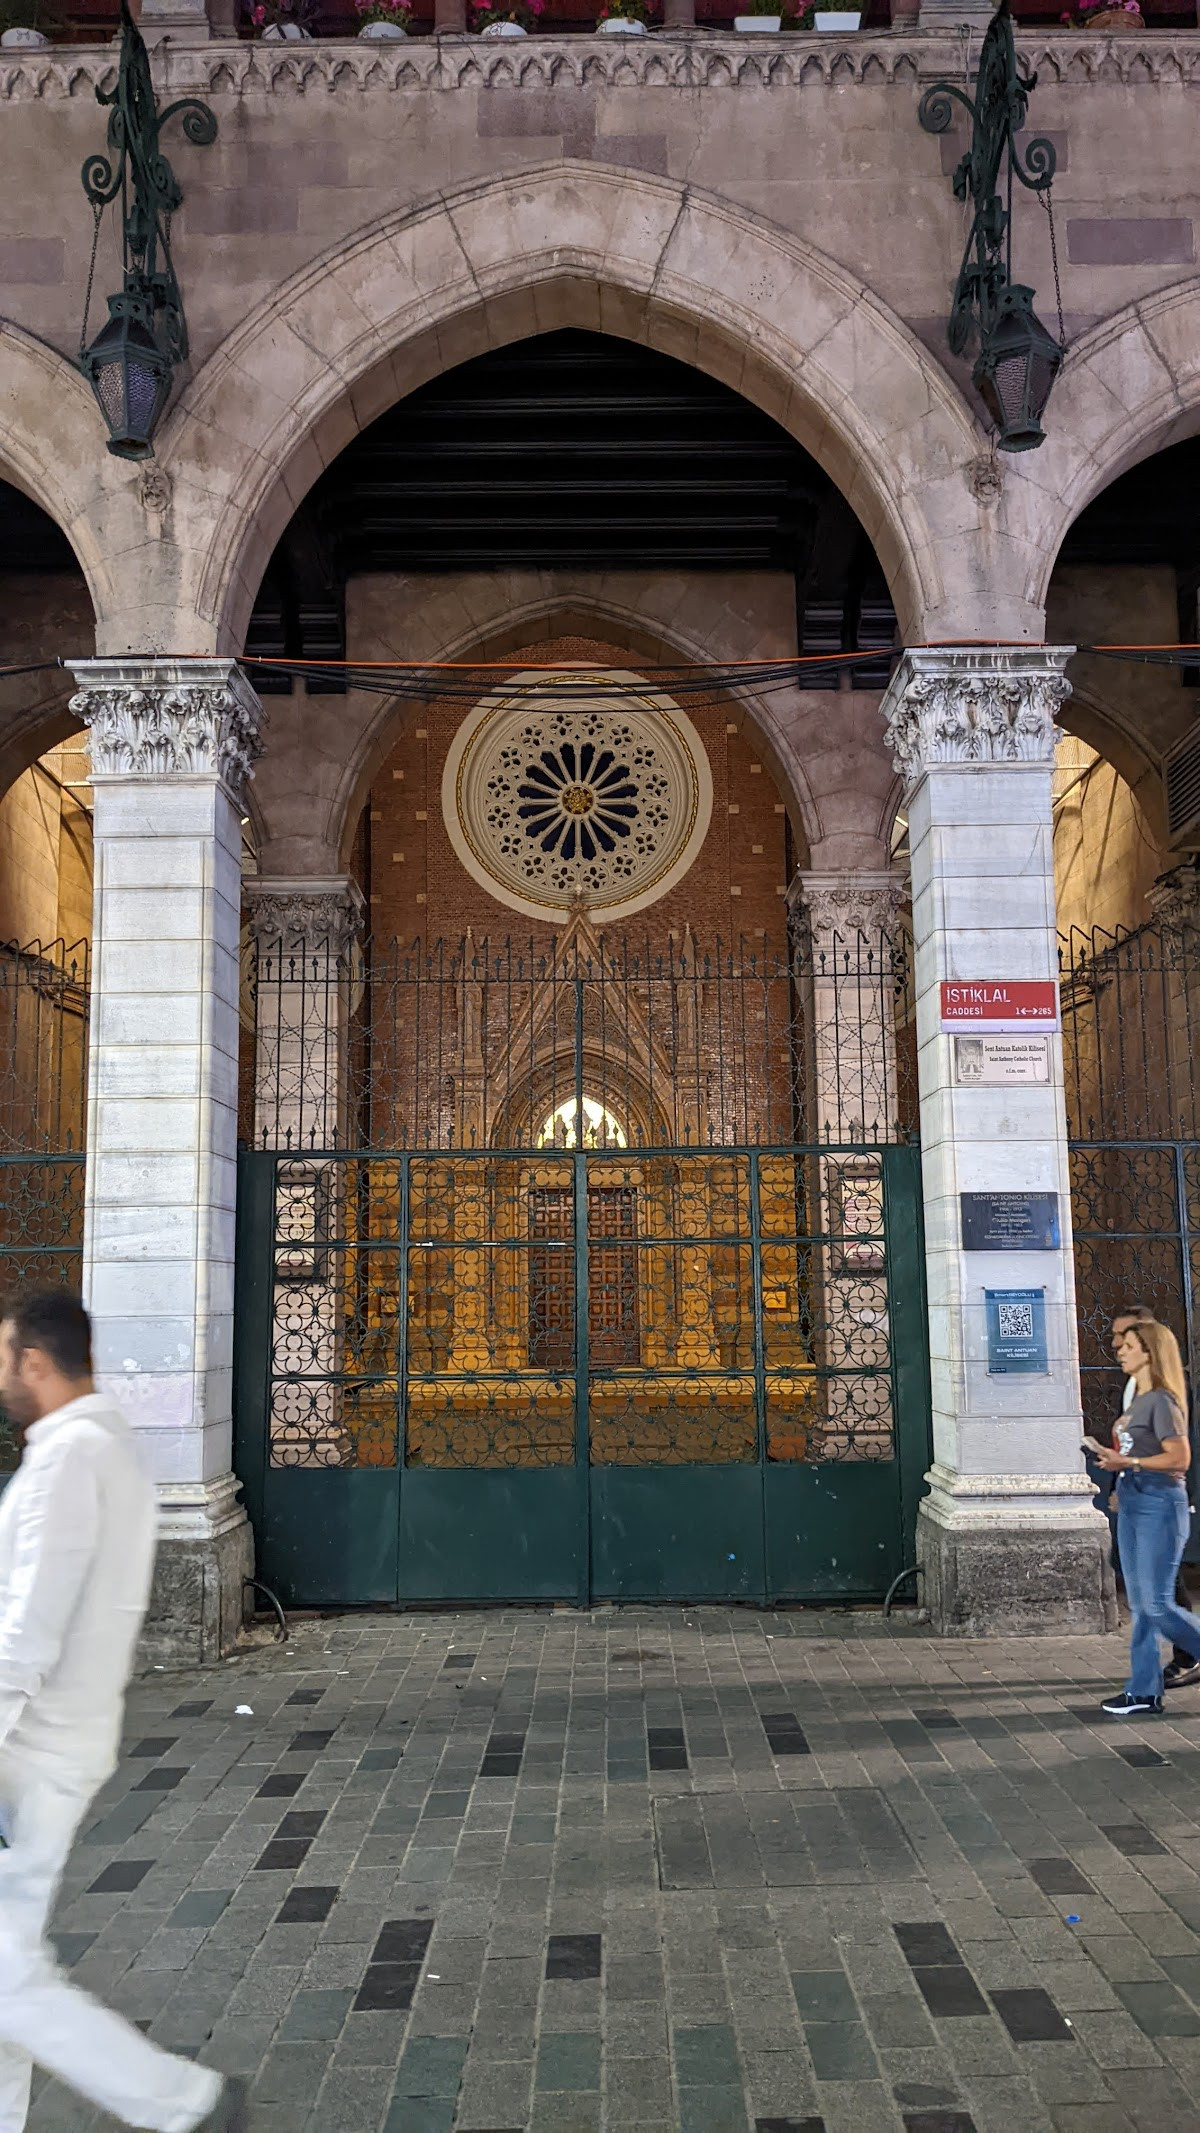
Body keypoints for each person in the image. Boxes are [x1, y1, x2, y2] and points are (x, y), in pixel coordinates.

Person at [0, 1290, 246, 2133]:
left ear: (35, 1360)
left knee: (5, 1977)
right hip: (63, 1738)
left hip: (26, 1750)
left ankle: (182, 2102)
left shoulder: (70, 1461)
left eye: (5, 1358)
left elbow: (25, 1629)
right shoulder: (112, 1447)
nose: (2, 1376)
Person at [1097, 1315, 1200, 1717]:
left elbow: (1180, 1457)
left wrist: (1130, 1461)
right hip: (1135, 1500)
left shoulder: (1162, 1399)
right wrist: (1119, 1471)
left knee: (1156, 1604)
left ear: (1150, 1352)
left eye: (1129, 1345)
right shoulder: (1139, 1396)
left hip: (1159, 1504)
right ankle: (1143, 1691)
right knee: (1140, 1607)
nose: (1120, 1349)